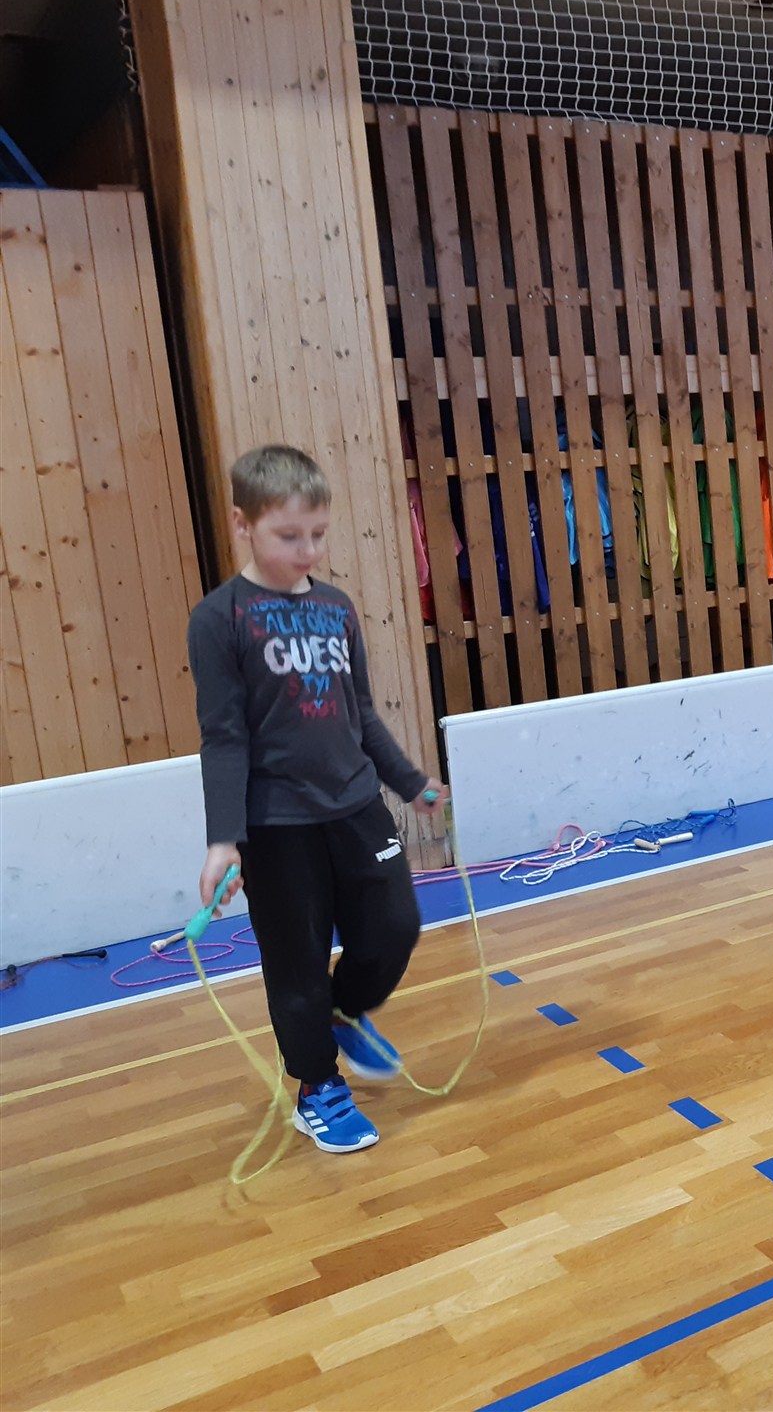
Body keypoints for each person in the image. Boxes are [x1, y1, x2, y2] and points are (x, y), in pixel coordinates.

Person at [188, 444, 447, 1153]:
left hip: (357, 808)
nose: (307, 551)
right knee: (296, 964)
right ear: (243, 524)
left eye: (318, 534)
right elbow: (223, 738)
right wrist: (223, 839)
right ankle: (317, 1087)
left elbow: (360, 713)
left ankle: (345, 1011)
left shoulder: (336, 608)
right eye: (288, 536)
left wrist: (409, 782)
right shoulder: (218, 619)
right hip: (277, 826)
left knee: (394, 927)